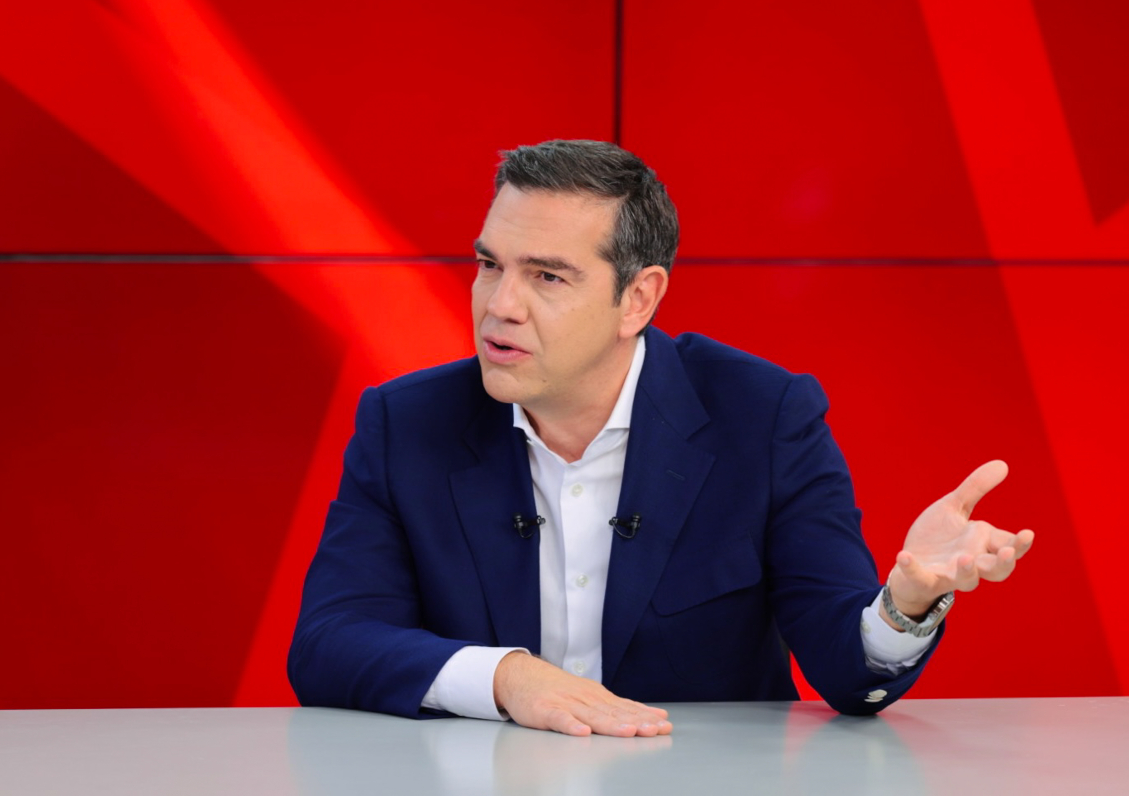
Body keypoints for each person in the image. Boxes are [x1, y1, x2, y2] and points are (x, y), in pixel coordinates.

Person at [288, 140, 1034, 738]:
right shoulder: (408, 422)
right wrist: (507, 678)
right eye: (490, 265)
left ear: (638, 299)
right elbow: (328, 641)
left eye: (547, 277)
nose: (499, 304)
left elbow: (847, 673)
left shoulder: (763, 417)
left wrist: (904, 603)